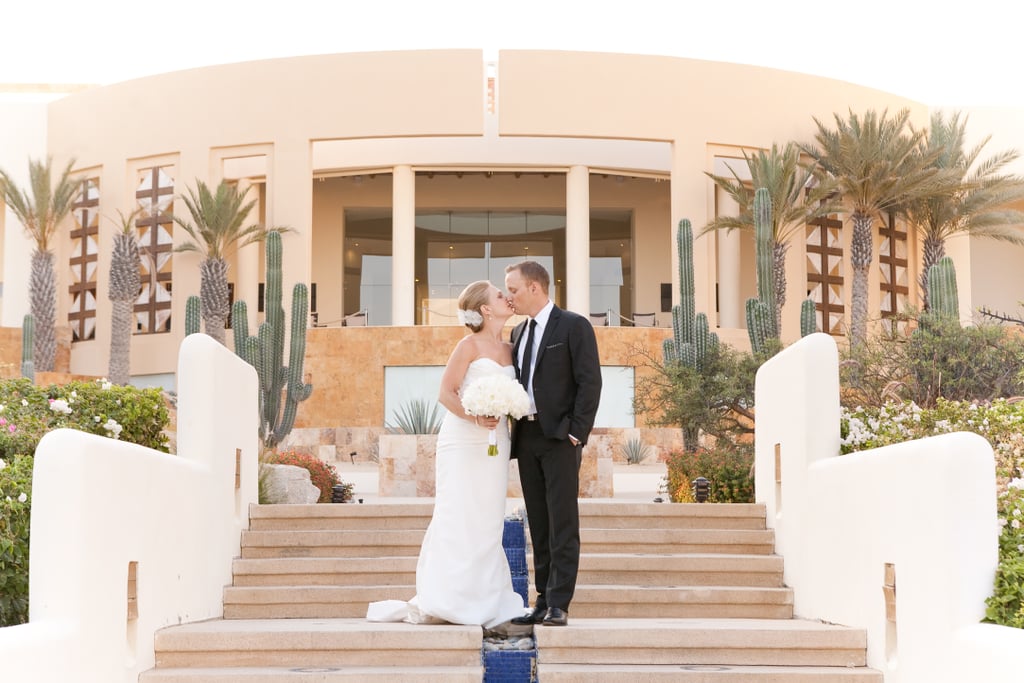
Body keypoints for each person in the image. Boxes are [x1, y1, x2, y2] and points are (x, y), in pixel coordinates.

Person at [366, 280, 528, 633]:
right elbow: (446, 392)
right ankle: (450, 596)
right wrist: (475, 415)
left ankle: (488, 597)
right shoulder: (468, 345)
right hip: (462, 440)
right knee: (459, 512)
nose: (507, 297)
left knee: (489, 515)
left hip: (495, 441)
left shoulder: (514, 348)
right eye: (500, 295)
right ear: (486, 309)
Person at [505, 260, 602, 628]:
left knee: (563, 522)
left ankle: (560, 602)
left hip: (560, 438)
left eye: (513, 289)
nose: (509, 297)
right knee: (539, 522)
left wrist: (576, 433)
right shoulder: (517, 333)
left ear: (535, 288)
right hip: (526, 438)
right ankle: (543, 599)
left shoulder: (574, 326)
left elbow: (589, 383)